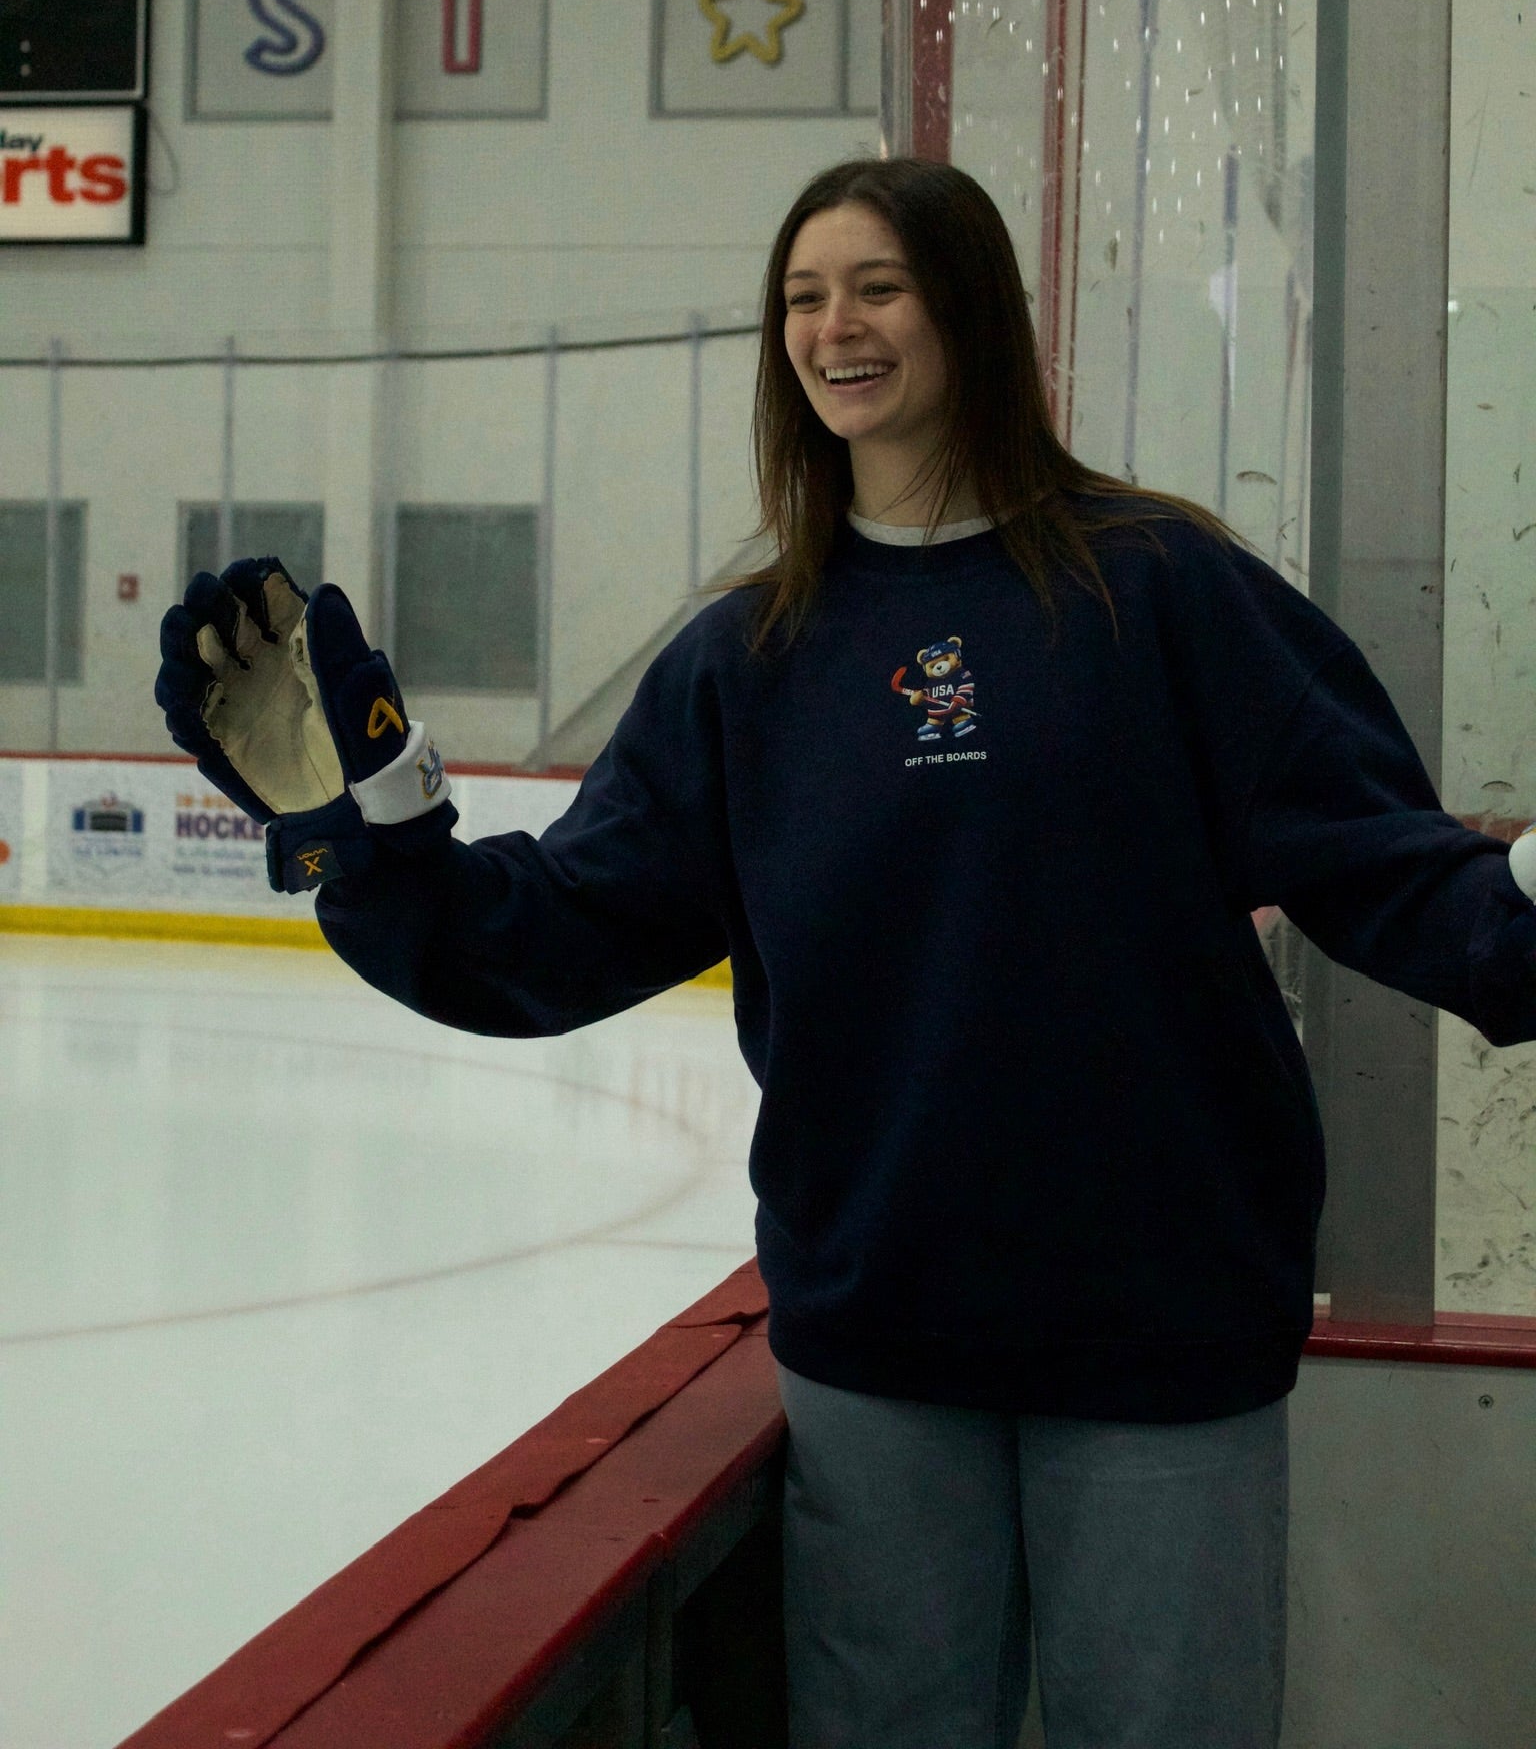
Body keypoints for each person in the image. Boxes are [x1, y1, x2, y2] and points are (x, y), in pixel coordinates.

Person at [156, 157, 1536, 1749]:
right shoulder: (746, 659)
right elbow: (548, 942)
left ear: (973, 311)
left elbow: (1382, 865)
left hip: (1160, 1320)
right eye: (804, 297)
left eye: (877, 285)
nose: (836, 326)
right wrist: (368, 832)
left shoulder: (1162, 587)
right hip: (884, 1332)